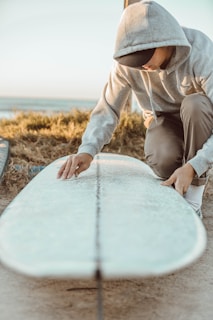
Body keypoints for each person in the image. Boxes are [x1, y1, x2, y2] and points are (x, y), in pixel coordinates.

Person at [57, 0, 213, 218]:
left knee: (194, 104)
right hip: (164, 120)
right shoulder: (128, 64)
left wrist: (195, 167)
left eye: (145, 56)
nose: (141, 65)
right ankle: (179, 174)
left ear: (165, 40)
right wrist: (87, 150)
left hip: (201, 117)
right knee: (162, 159)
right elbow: (107, 109)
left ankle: (194, 195)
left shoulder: (201, 52)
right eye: (135, 59)